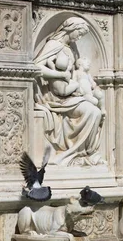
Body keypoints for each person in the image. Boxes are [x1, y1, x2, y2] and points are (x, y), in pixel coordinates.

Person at [34, 17, 106, 166]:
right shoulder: (53, 45)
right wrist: (59, 75)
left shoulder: (72, 49)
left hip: (71, 94)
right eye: (79, 33)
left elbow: (75, 74)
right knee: (91, 112)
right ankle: (72, 154)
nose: (79, 38)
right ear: (71, 29)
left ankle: (85, 154)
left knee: (96, 112)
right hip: (55, 97)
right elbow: (37, 67)